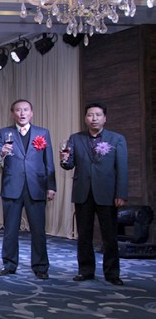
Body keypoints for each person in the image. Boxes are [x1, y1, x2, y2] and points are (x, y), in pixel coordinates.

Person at [60, 102, 128, 285]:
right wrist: (64, 160)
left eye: (98, 115)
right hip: (83, 193)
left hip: (107, 194)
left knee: (109, 236)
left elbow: (122, 168)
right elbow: (69, 165)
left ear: (105, 118)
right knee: (84, 235)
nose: (94, 118)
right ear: (85, 118)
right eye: (90, 115)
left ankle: (112, 273)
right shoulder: (76, 138)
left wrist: (121, 193)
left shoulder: (116, 139)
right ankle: (85, 270)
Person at [0, 99, 56, 279]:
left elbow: (49, 162)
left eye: (25, 110)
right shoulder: (4, 132)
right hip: (12, 186)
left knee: (38, 230)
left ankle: (40, 266)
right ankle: (9, 264)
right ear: (13, 113)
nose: (22, 113)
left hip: (36, 186)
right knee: (10, 230)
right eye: (18, 110)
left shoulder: (42, 133)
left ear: (31, 113)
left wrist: (51, 186)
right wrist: (2, 152)